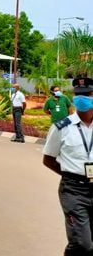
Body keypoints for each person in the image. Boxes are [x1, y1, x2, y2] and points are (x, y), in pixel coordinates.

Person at [42, 77, 93, 256]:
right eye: (78, 95)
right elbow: (48, 159)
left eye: (87, 94)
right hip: (73, 190)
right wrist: (70, 174)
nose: (82, 98)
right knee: (82, 243)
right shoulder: (62, 127)